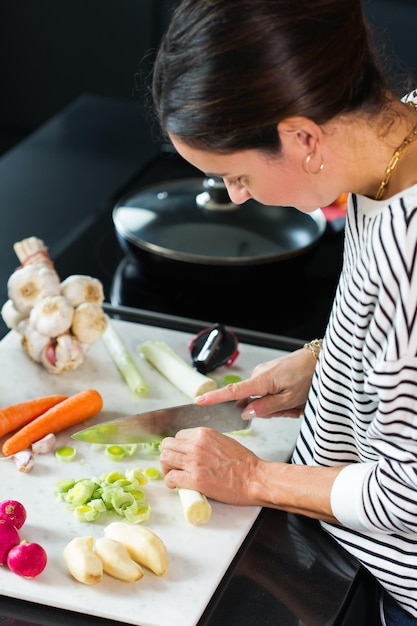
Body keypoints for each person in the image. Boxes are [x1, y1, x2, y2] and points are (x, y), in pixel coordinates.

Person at [151, 1, 417, 623]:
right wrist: (336, 364)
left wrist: (251, 480)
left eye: (237, 176)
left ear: (302, 137)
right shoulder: (399, 130)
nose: (238, 199)